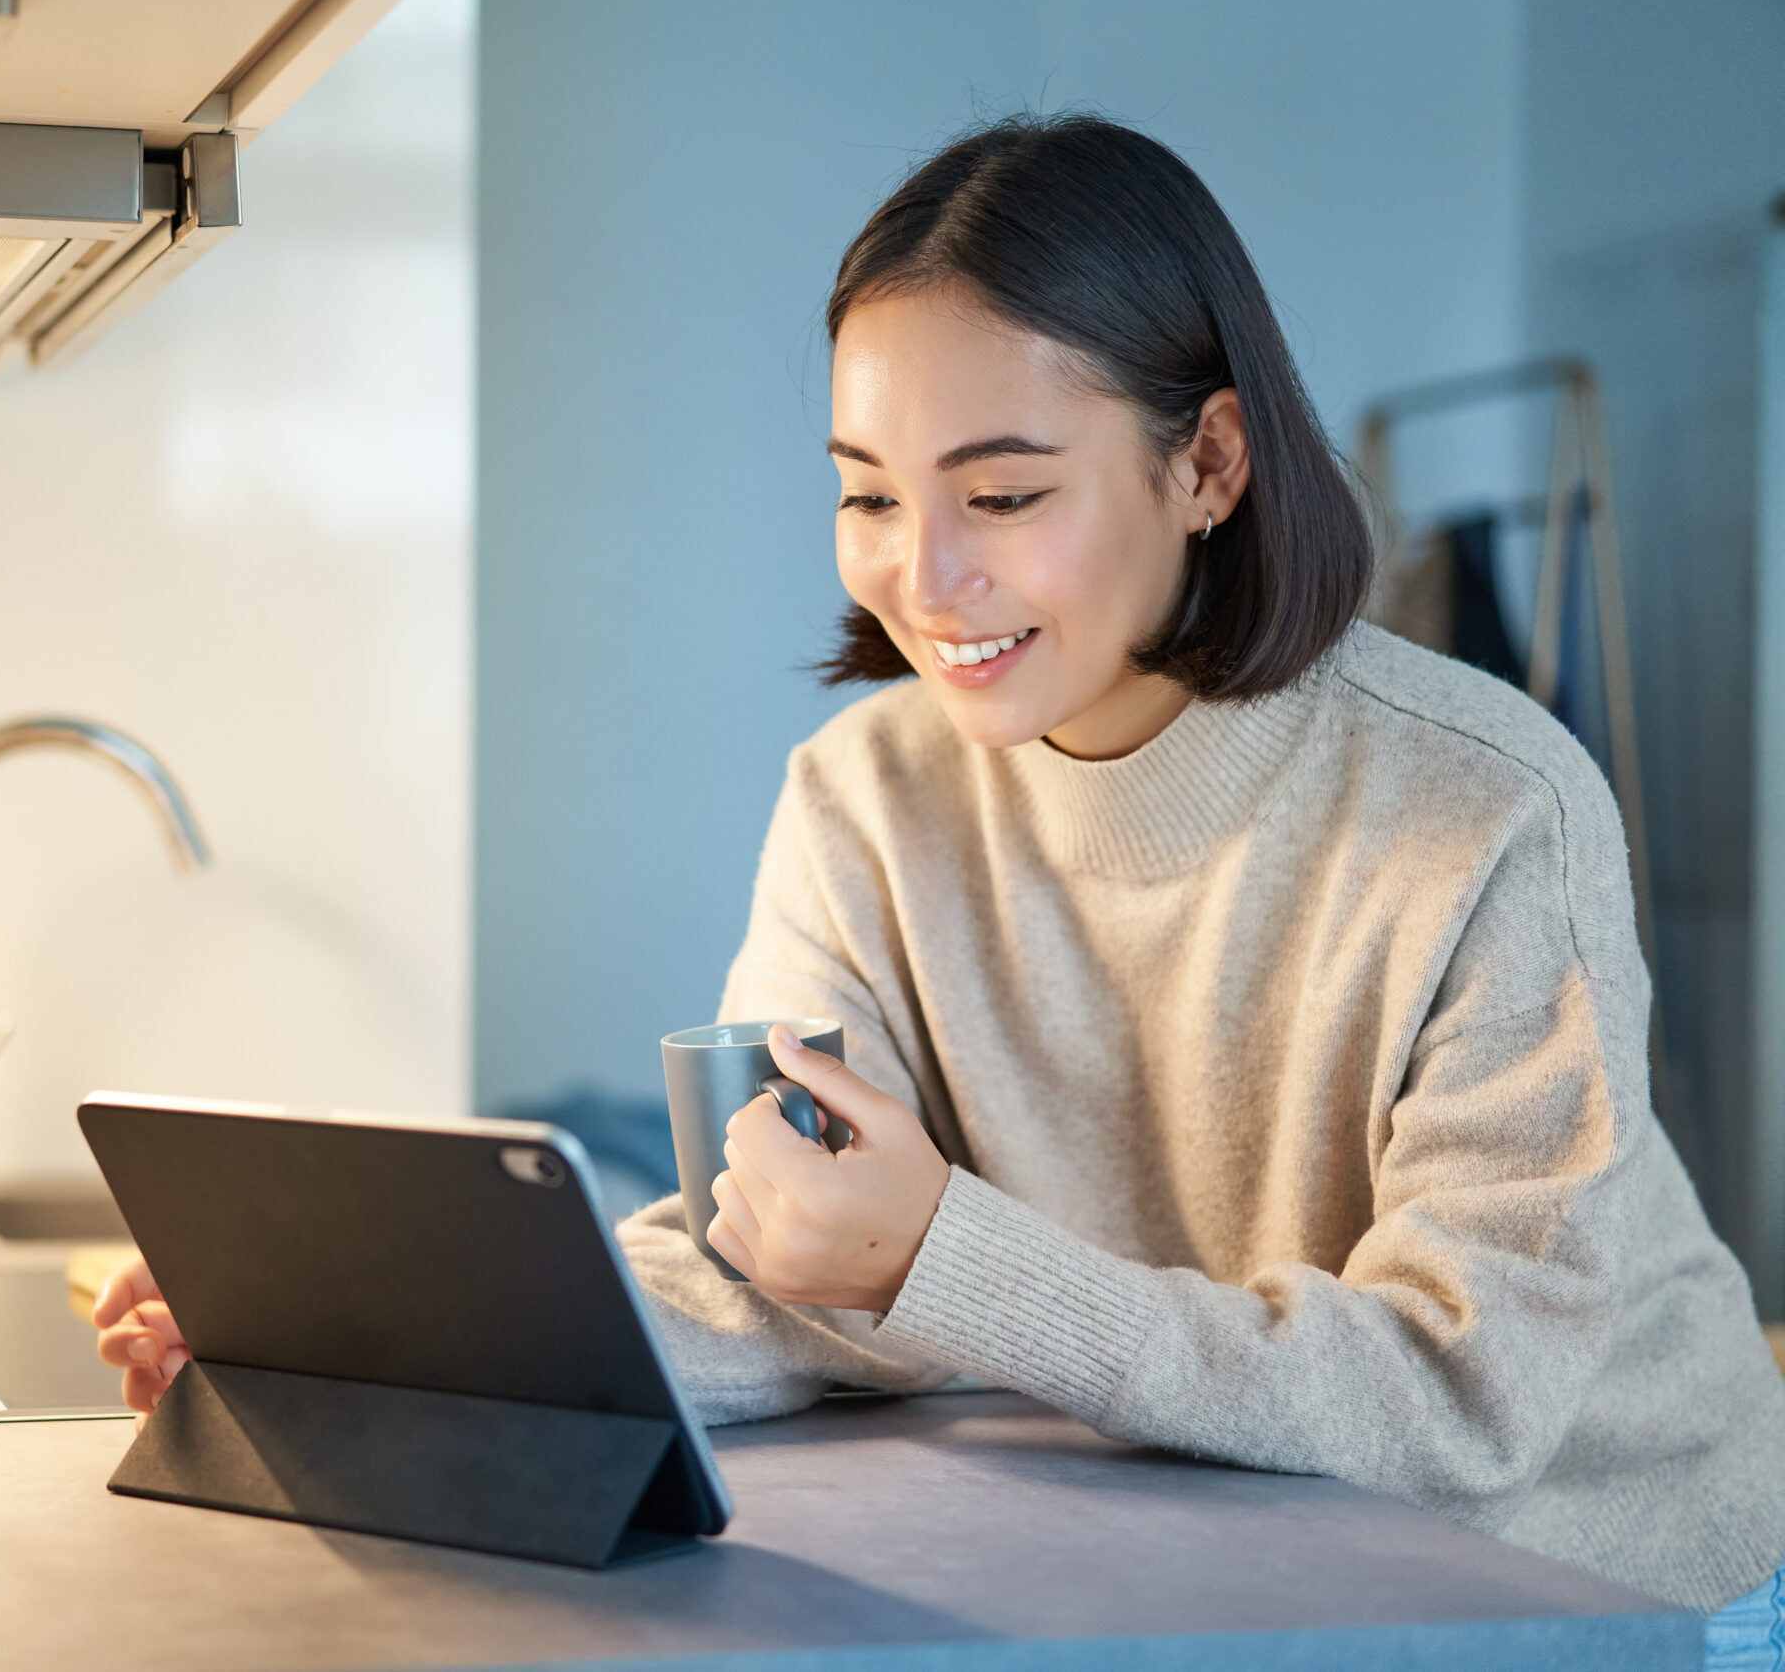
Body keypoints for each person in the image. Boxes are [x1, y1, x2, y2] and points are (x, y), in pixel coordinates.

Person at [95, 114, 1785, 1651]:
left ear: (1206, 464)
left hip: (1611, 1582)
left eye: (1002, 493)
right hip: (1242, 1550)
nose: (926, 573)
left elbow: (1460, 1394)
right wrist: (358, 1340)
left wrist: (941, 1258)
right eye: (867, 496)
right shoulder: (864, 798)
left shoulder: (1486, 802)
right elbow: (788, 1262)